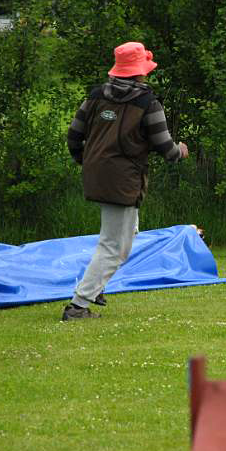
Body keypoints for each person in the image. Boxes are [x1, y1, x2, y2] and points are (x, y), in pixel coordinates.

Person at [62, 41, 188, 321]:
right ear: (140, 72)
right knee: (114, 245)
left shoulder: (96, 96)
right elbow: (166, 149)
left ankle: (95, 288)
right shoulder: (147, 103)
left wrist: (88, 161)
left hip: (96, 172)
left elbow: (74, 136)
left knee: (126, 235)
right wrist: (181, 150)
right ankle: (78, 305)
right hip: (123, 178)